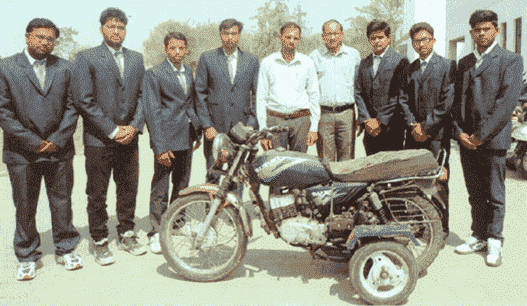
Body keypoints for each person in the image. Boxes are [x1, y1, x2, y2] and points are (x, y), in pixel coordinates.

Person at [0, 18, 82, 280]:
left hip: (59, 149)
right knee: (24, 204)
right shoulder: (6, 67)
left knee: (62, 202)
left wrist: (57, 138)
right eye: (40, 37)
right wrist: (33, 142)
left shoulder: (65, 68)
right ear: (27, 37)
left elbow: (73, 106)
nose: (45, 42)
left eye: (50, 38)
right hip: (21, 152)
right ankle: (26, 254)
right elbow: (3, 110)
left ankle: (66, 247)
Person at [72, 7, 147, 266]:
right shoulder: (87, 57)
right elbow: (83, 99)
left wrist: (135, 127)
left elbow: (141, 96)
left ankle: (127, 233)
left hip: (130, 138)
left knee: (128, 189)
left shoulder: (136, 58)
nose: (117, 31)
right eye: (112, 26)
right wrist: (113, 130)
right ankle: (99, 239)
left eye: (121, 27)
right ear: (102, 28)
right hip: (99, 140)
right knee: (97, 193)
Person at [453, 10, 523, 267]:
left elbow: (506, 103)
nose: (481, 34)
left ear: (496, 30)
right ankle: (478, 235)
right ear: (471, 32)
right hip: (466, 140)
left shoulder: (511, 60)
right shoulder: (464, 62)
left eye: (486, 29)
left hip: (492, 141)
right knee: (475, 192)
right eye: (477, 30)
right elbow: (457, 101)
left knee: (494, 193)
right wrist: (459, 132)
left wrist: (480, 136)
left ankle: (495, 240)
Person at [142, 32, 206, 254]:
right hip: (166, 139)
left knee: (182, 183)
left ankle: (178, 222)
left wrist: (196, 132)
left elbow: (189, 105)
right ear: (165, 49)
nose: (177, 52)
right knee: (160, 185)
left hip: (186, 136)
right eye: (173, 48)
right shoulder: (154, 74)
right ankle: (156, 231)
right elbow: (152, 112)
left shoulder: (188, 70)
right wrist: (160, 147)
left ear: (186, 49)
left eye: (181, 48)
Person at [401, 22, 456, 246]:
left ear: (433, 40)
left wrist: (427, 127)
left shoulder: (447, 66)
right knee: (414, 182)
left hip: (437, 136)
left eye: (425, 39)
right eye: (417, 41)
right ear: (412, 44)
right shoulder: (410, 69)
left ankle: (441, 229)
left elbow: (447, 102)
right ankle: (418, 225)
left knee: (439, 182)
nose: (421, 44)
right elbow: (402, 100)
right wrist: (414, 125)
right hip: (413, 135)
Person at [195, 18, 260, 187]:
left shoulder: (251, 61)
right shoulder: (208, 58)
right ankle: (211, 209)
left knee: (237, 174)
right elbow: (200, 94)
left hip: (241, 128)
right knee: (213, 171)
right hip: (215, 128)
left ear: (239, 35)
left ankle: (234, 213)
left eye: (234, 33)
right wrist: (207, 125)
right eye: (226, 33)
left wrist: (251, 124)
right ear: (220, 35)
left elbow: (258, 96)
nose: (230, 37)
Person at [257, 22, 320, 154]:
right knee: (276, 165)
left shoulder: (307, 63)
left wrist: (314, 127)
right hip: (275, 120)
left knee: (299, 165)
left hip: (301, 121)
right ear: (280, 38)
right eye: (288, 37)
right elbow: (261, 97)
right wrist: (263, 129)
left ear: (299, 40)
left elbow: (314, 95)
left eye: (295, 38)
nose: (292, 41)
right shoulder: (268, 63)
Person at [354, 20, 410, 155]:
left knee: (392, 171)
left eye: (381, 37)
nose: (377, 41)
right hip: (370, 130)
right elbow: (358, 92)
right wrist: (366, 119)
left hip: (392, 127)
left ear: (389, 38)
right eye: (373, 38)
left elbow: (399, 95)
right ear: (368, 40)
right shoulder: (364, 63)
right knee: (373, 170)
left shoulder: (400, 61)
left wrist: (380, 120)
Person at [309, 20, 361, 161]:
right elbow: (310, 90)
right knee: (326, 161)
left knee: (347, 160)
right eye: (328, 34)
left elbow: (360, 88)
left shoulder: (353, 55)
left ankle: (345, 184)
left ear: (342, 35)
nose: (332, 37)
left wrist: (360, 116)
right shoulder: (314, 57)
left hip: (347, 114)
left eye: (335, 33)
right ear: (323, 36)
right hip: (324, 115)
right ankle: (328, 184)